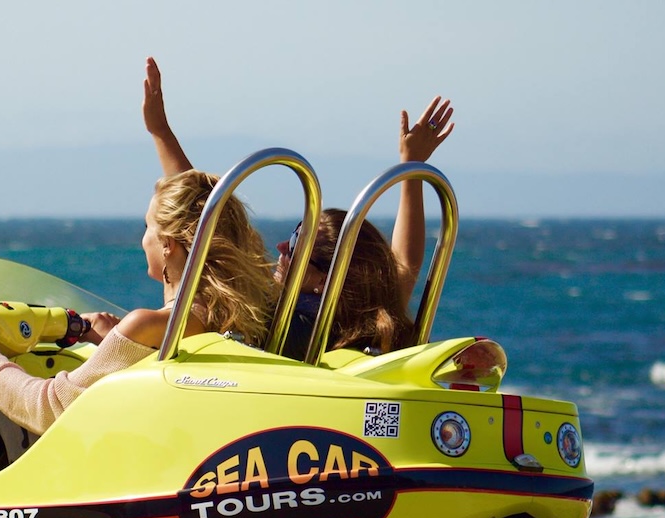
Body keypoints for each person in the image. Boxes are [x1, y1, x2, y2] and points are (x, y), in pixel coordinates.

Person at [0, 168, 279, 469]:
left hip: (107, 468)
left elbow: (47, 407)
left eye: (148, 227)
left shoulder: (148, 326)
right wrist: (113, 341)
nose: (142, 238)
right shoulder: (247, 315)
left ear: (168, 245)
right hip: (176, 455)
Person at [142, 57, 450, 353]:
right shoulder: (371, 329)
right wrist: (412, 167)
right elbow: (404, 263)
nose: (280, 248)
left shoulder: (280, 319)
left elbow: (209, 223)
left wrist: (160, 133)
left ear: (322, 280)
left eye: (295, 245)